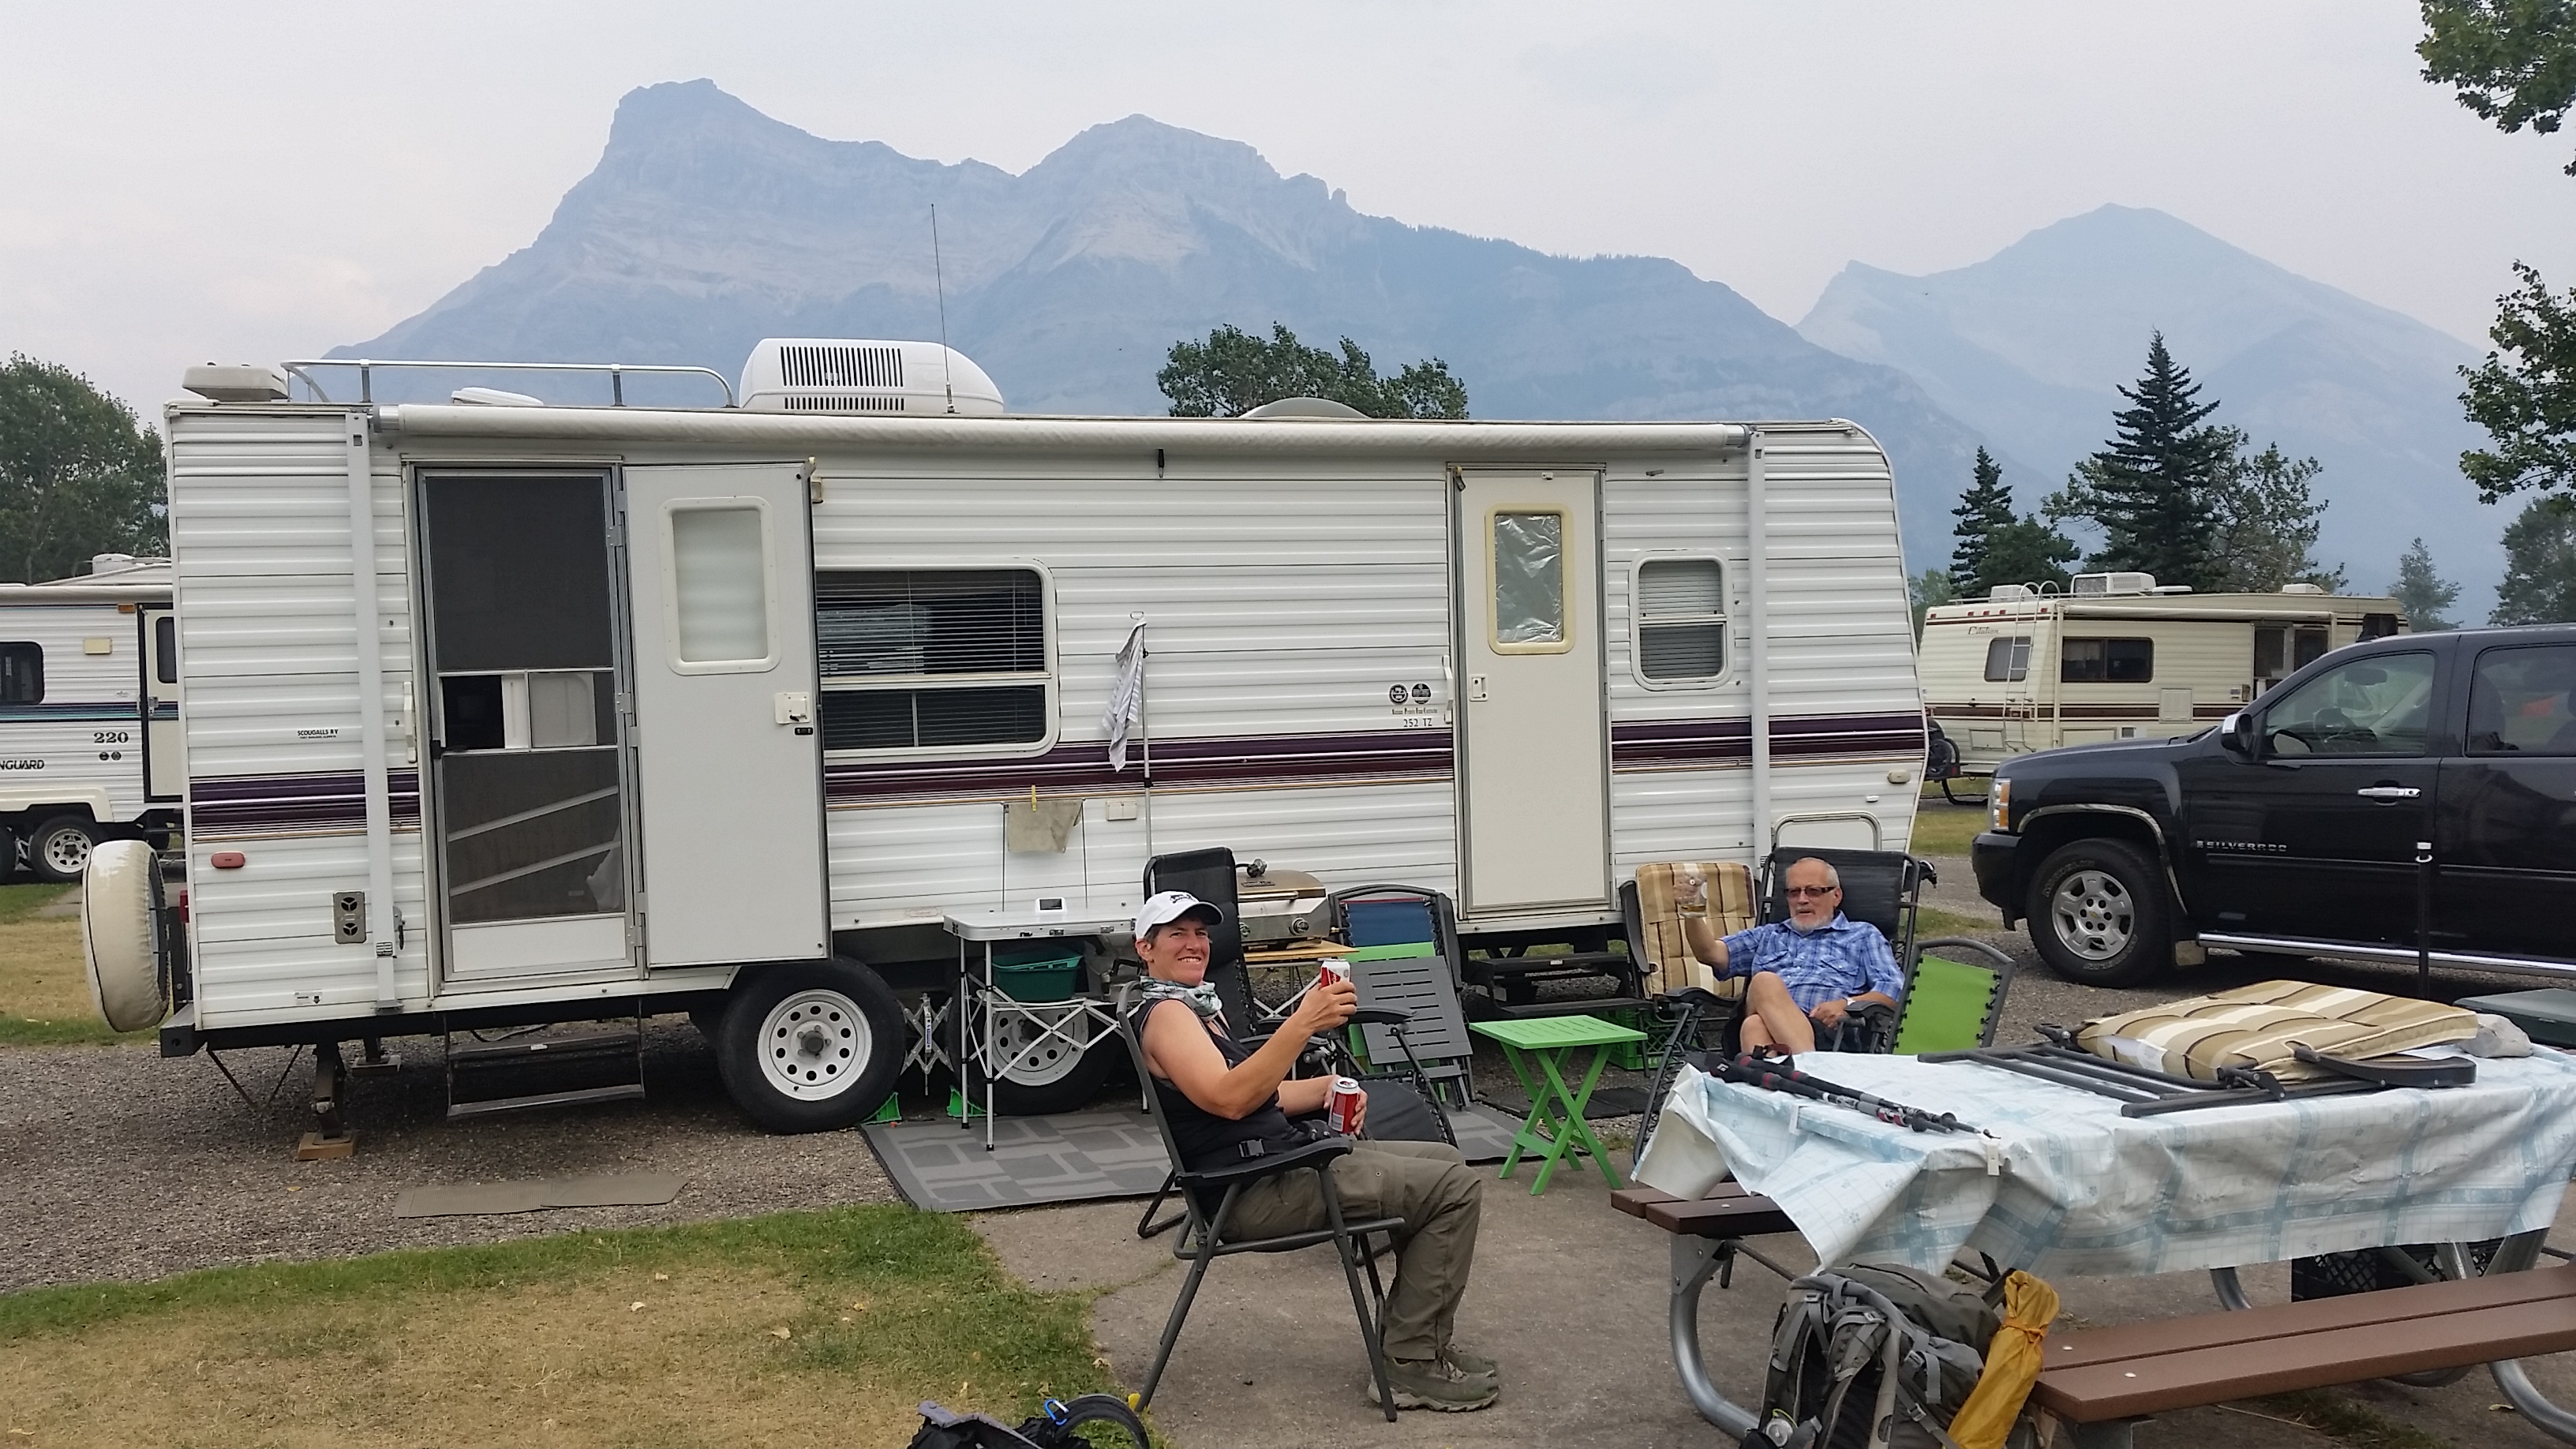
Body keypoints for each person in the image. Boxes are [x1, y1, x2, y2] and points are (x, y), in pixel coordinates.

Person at [1129, 889, 1497, 1412]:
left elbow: (1259, 1094)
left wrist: (1328, 1088)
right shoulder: (1168, 1015)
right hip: (1253, 1190)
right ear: (1145, 948)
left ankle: (1418, 1336)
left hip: (1272, 1164)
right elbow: (1230, 1100)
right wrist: (1302, 1023)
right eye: (1177, 934)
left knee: (1446, 1163)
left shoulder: (1198, 1009)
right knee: (1453, 1189)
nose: (1195, 944)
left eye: (1201, 933)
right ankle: (1411, 1363)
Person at [1675, 857, 1902, 1054]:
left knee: (1754, 1024)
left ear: (1836, 896)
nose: (1802, 899)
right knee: (1764, 984)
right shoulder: (1769, 935)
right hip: (1806, 1048)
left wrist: (1847, 1003)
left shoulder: (1862, 935)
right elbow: (1711, 953)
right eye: (1794, 892)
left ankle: (1779, 1083)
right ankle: (1810, 1071)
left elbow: (1894, 988)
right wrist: (1692, 910)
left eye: (1813, 891)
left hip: (1830, 1035)